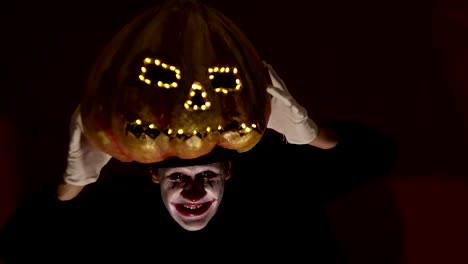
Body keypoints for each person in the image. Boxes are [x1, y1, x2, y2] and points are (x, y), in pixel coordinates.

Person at [0, 63, 398, 263]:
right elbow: (21, 243)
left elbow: (378, 155)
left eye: (206, 174)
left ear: (228, 170)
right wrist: (75, 182)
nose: (194, 190)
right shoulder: (119, 212)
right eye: (177, 177)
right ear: (154, 175)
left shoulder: (276, 190)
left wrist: (310, 134)